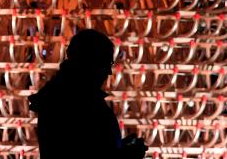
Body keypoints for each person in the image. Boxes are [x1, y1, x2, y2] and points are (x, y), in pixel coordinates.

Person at [28, 29, 147, 159]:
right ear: (89, 62)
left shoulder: (66, 95)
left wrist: (120, 147)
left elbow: (91, 147)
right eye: (106, 63)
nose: (109, 72)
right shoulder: (72, 101)